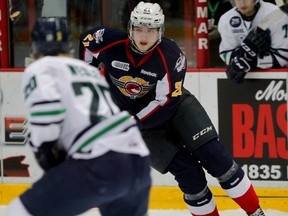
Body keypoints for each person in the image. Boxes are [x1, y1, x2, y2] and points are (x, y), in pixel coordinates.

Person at [79, 2, 265, 216]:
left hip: (174, 108)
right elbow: (86, 45)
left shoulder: (171, 56)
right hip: (137, 127)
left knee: (216, 158)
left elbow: (165, 102)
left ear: (161, 31)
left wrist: (130, 122)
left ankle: (256, 212)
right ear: (130, 28)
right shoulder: (106, 40)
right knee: (189, 175)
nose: (144, 36)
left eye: (151, 30)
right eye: (139, 28)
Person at [6, 17, 151, 216]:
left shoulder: (41, 67)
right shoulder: (88, 71)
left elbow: (47, 116)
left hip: (100, 162)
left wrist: (44, 150)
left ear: (35, 46)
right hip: (139, 162)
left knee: (18, 211)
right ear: (68, 44)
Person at [218, 0, 288, 84]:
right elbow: (226, 53)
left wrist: (249, 61)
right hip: (245, 83)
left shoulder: (276, 15)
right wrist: (244, 57)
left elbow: (283, 57)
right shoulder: (226, 20)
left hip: (279, 80)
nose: (242, 3)